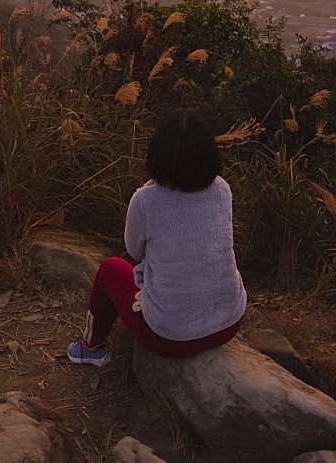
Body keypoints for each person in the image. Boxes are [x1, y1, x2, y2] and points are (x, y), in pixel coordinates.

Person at [67, 108, 246, 366]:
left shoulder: (145, 199)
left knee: (109, 268)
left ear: (158, 155)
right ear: (209, 155)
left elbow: (134, 252)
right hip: (229, 324)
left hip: (171, 338)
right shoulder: (221, 189)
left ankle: (89, 346)